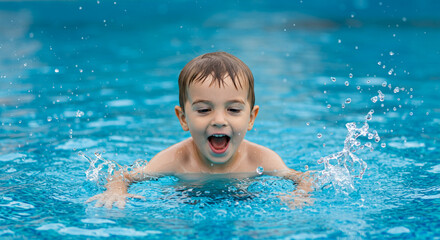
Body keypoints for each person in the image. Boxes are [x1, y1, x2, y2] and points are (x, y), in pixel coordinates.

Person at [86, 52, 313, 209]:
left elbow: (302, 178)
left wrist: (299, 195)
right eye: (204, 110)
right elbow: (123, 177)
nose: (219, 120)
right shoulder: (176, 159)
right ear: (183, 118)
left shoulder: (261, 159)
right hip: (187, 200)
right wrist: (116, 191)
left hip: (245, 199)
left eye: (233, 109)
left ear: (251, 118)